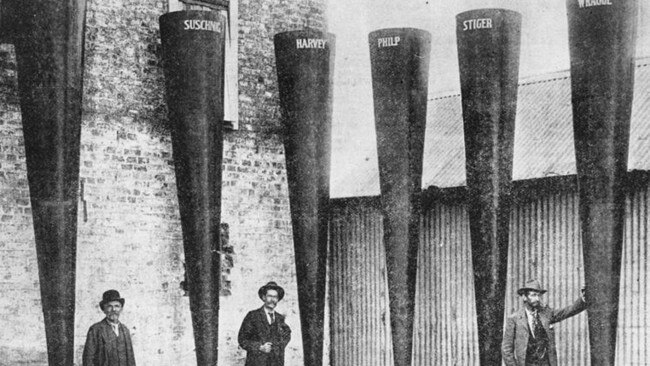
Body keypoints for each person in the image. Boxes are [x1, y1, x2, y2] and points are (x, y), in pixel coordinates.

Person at [502, 279, 587, 366]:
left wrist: (583, 299)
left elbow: (566, 311)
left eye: (539, 295)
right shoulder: (514, 319)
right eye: (534, 295)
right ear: (524, 297)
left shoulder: (546, 313)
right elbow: (506, 349)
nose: (538, 299)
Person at [238, 281, 291, 366]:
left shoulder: (280, 318)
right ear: (263, 298)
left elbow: (287, 334)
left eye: (275, 297)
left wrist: (278, 347)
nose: (272, 300)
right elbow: (242, 340)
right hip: (256, 362)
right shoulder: (253, 315)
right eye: (269, 296)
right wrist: (260, 347)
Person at [82, 289, 136, 366]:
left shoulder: (125, 330)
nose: (113, 309)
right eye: (109, 306)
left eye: (117, 306)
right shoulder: (95, 330)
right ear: (104, 309)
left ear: (121, 309)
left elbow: (131, 359)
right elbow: (88, 360)